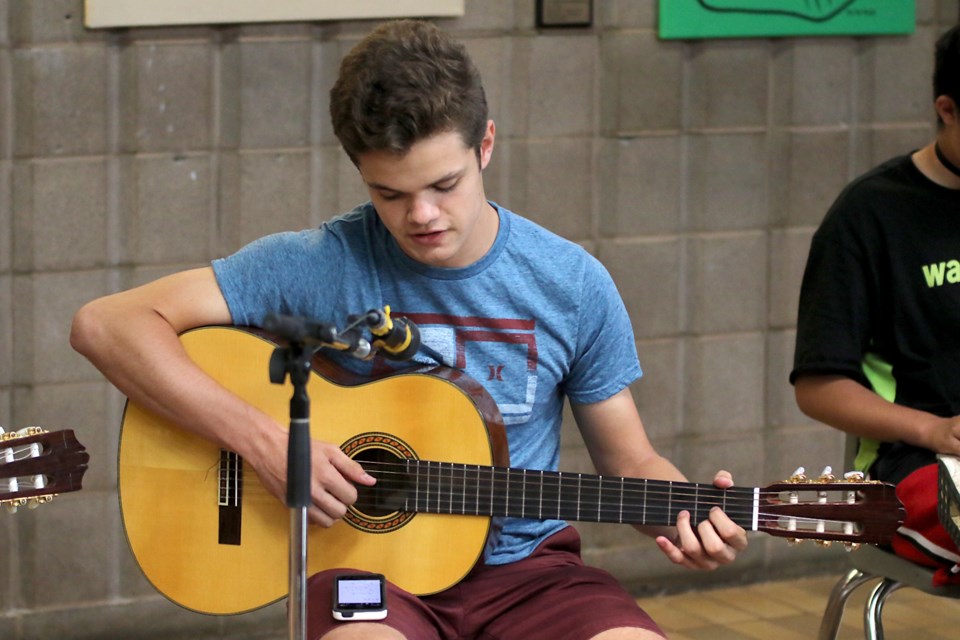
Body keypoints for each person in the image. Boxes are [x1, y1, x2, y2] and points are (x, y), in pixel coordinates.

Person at [71, 20, 747, 639]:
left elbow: (629, 464)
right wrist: (266, 442)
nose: (421, 215)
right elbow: (106, 324)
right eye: (389, 195)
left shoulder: (571, 283)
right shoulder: (320, 264)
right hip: (368, 572)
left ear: (485, 145)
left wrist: (691, 523)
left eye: (443, 184)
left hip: (529, 576)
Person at [791, 24, 960, 585]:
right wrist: (933, 431)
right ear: (947, 109)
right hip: (912, 467)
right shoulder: (871, 215)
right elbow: (817, 387)